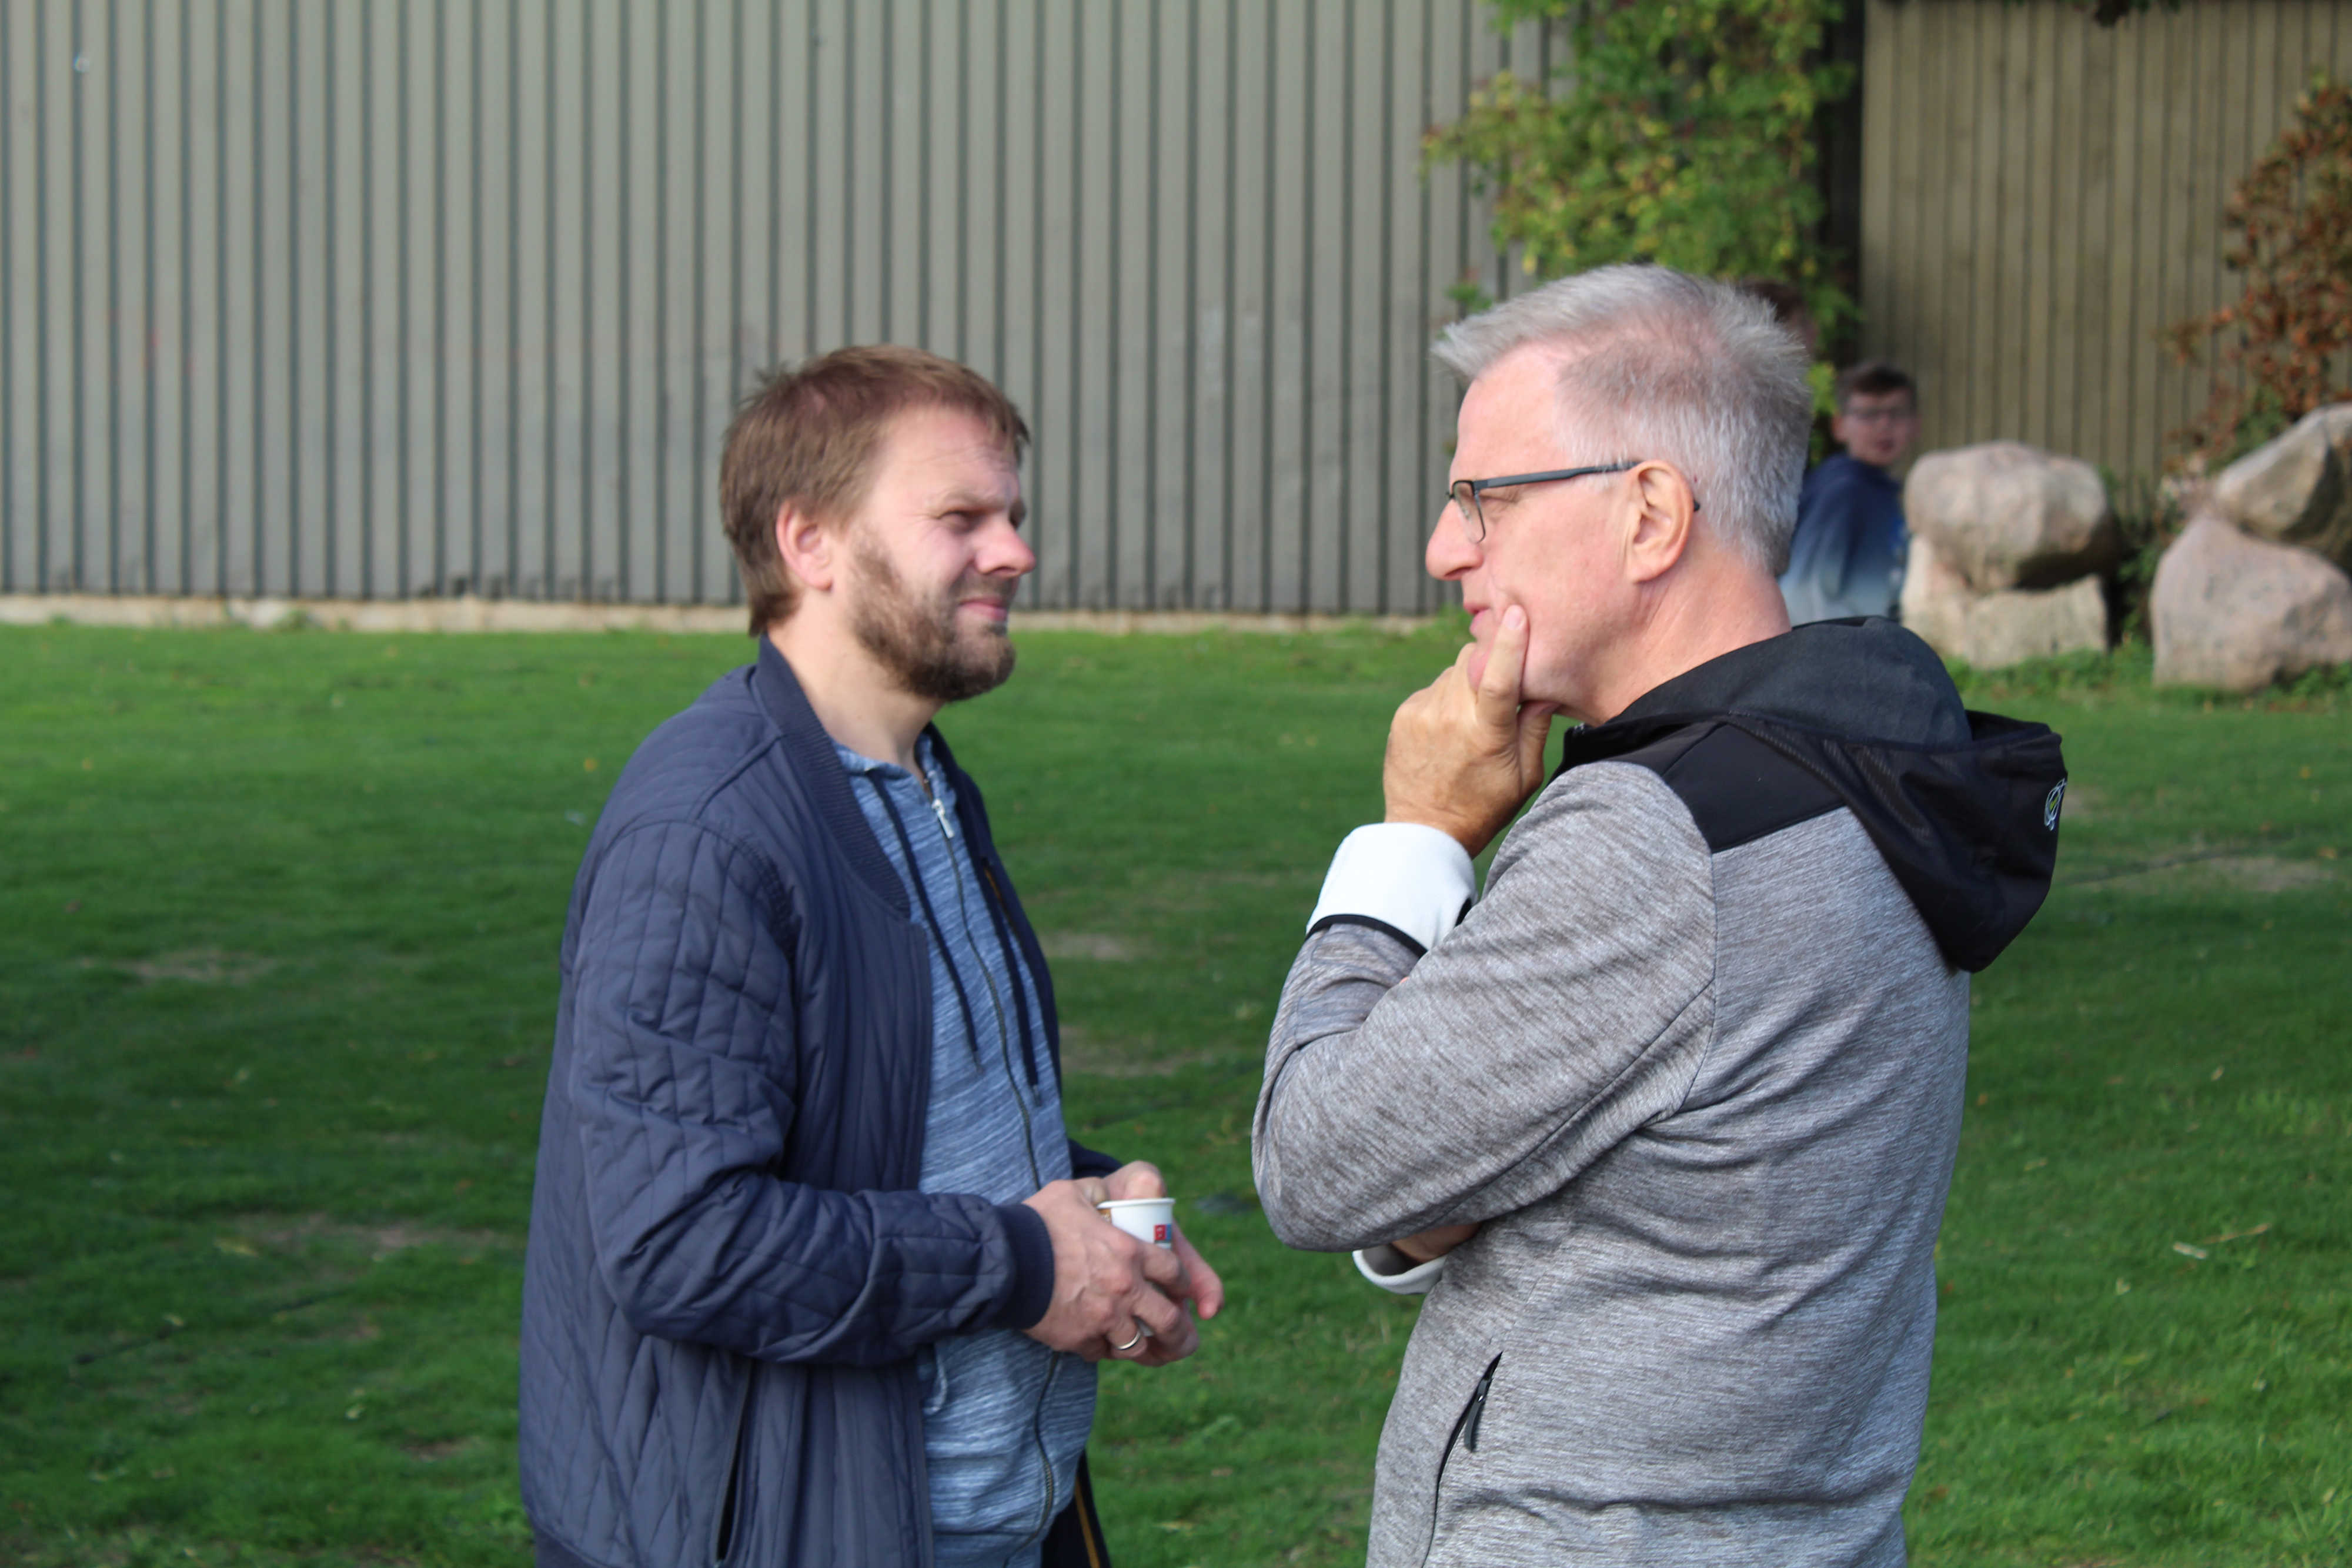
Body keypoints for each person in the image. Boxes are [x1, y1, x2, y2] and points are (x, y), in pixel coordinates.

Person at [1251, 268, 2063, 1566]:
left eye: (1482, 499)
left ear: (1647, 513)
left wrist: (1411, 837)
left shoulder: (1660, 835)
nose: (1443, 547)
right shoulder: (1863, 770)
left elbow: (1316, 1159)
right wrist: (1435, 1186)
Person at [520, 345, 1223, 1568]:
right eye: (962, 516)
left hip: (999, 1521)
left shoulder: (923, 784)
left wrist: (1089, 1217)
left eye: (1012, 514)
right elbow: (682, 1237)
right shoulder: (710, 829)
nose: (1014, 551)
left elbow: (879, 1119)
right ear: (810, 543)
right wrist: (1019, 1258)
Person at [1779, 360, 1921, 624]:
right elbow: (1804, 592)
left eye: (1897, 413)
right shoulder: (1843, 491)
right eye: (1868, 414)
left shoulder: (1880, 490)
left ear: (1915, 424)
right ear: (1839, 426)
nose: (1884, 425)